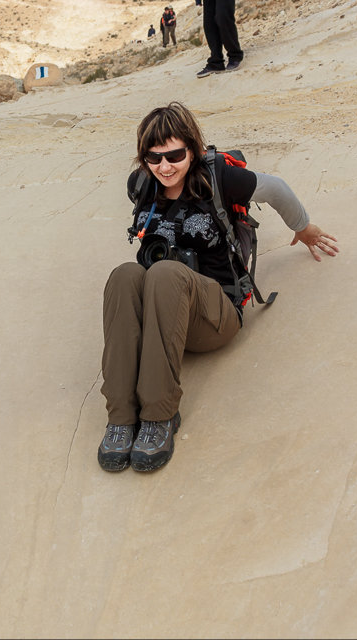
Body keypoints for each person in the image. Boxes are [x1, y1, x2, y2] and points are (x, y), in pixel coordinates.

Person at [97, 102, 338, 473]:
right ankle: (121, 416)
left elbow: (276, 188)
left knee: (164, 273)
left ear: (192, 149)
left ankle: (160, 414)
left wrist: (303, 228)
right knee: (124, 274)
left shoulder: (219, 177)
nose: (164, 167)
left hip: (215, 314)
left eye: (174, 156)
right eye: (153, 158)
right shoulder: (141, 184)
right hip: (162, 311)